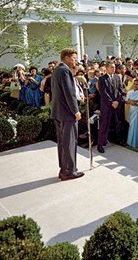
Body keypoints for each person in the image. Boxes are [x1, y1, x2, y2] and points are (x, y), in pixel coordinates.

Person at [50, 48, 84, 181]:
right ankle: (69, 171)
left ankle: (64, 169)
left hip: (58, 113)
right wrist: (75, 110)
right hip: (67, 113)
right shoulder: (65, 71)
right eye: (74, 58)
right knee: (69, 142)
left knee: (63, 143)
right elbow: (69, 93)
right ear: (67, 57)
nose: (75, 60)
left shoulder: (57, 70)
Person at [97, 61, 124, 153]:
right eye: (111, 67)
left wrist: (117, 101)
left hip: (116, 105)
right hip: (107, 106)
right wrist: (112, 102)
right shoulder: (102, 79)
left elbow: (120, 91)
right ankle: (100, 144)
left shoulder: (117, 77)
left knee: (118, 123)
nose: (113, 69)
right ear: (107, 68)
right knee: (104, 125)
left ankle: (119, 140)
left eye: (114, 67)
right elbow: (103, 93)